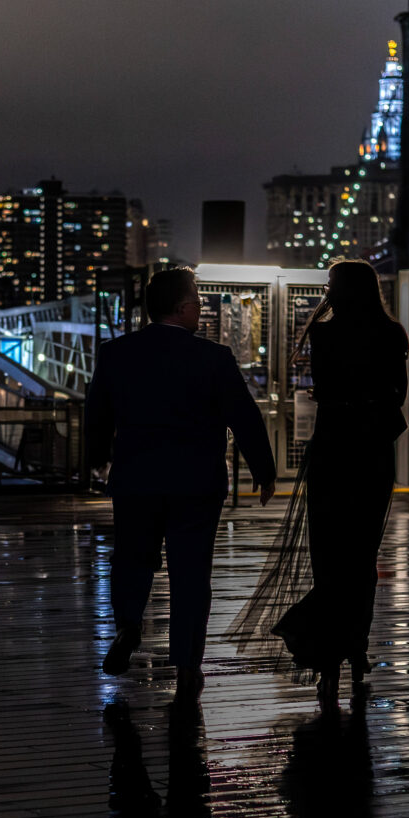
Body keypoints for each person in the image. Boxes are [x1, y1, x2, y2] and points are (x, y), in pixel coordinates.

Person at [85, 267, 276, 697]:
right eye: (198, 302)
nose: (201, 309)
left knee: (131, 559)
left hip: (135, 478)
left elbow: (97, 414)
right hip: (196, 482)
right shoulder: (214, 357)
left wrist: (98, 461)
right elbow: (244, 417)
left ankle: (128, 625)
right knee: (191, 572)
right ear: (184, 307)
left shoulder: (116, 353)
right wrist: (264, 471)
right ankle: (188, 664)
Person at [231, 259, 408, 712]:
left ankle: (327, 660)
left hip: (332, 452)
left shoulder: (324, 334)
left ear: (339, 290)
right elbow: (397, 394)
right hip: (371, 455)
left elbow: (326, 387)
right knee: (362, 556)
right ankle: (357, 647)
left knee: (328, 555)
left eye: (329, 284)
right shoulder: (392, 334)